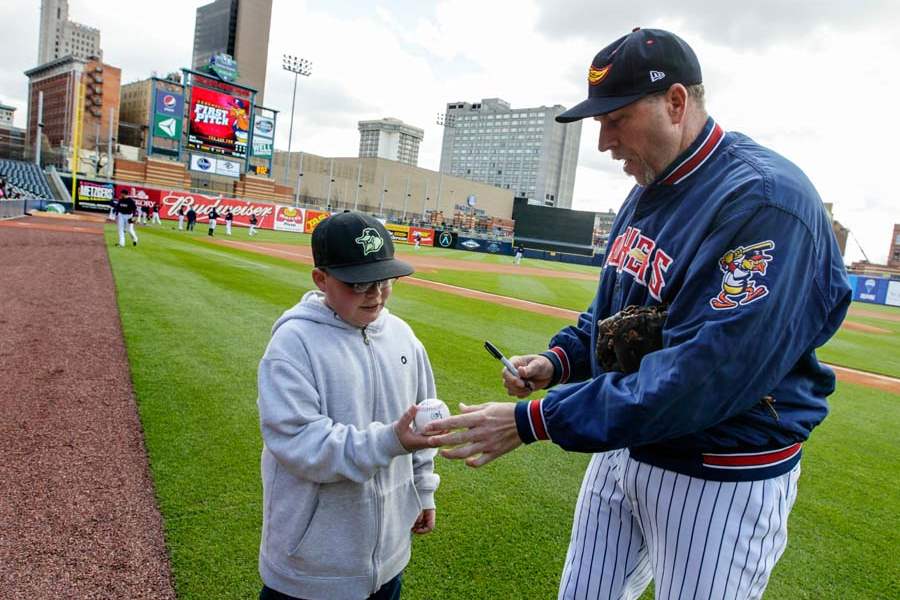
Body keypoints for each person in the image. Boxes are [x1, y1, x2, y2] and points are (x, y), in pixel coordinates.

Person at [425, 28, 851, 600]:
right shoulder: (649, 186)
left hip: (718, 470)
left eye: (616, 119)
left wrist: (535, 421)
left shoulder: (763, 201)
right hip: (627, 446)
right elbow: (613, 315)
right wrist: (559, 360)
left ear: (676, 103)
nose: (603, 142)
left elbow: (702, 376)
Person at [256, 211, 440, 600]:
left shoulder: (404, 337)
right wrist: (391, 440)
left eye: (383, 279)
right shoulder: (293, 344)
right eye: (358, 283)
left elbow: (422, 422)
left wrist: (422, 492)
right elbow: (303, 445)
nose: (374, 293)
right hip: (310, 572)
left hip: (389, 561)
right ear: (321, 279)